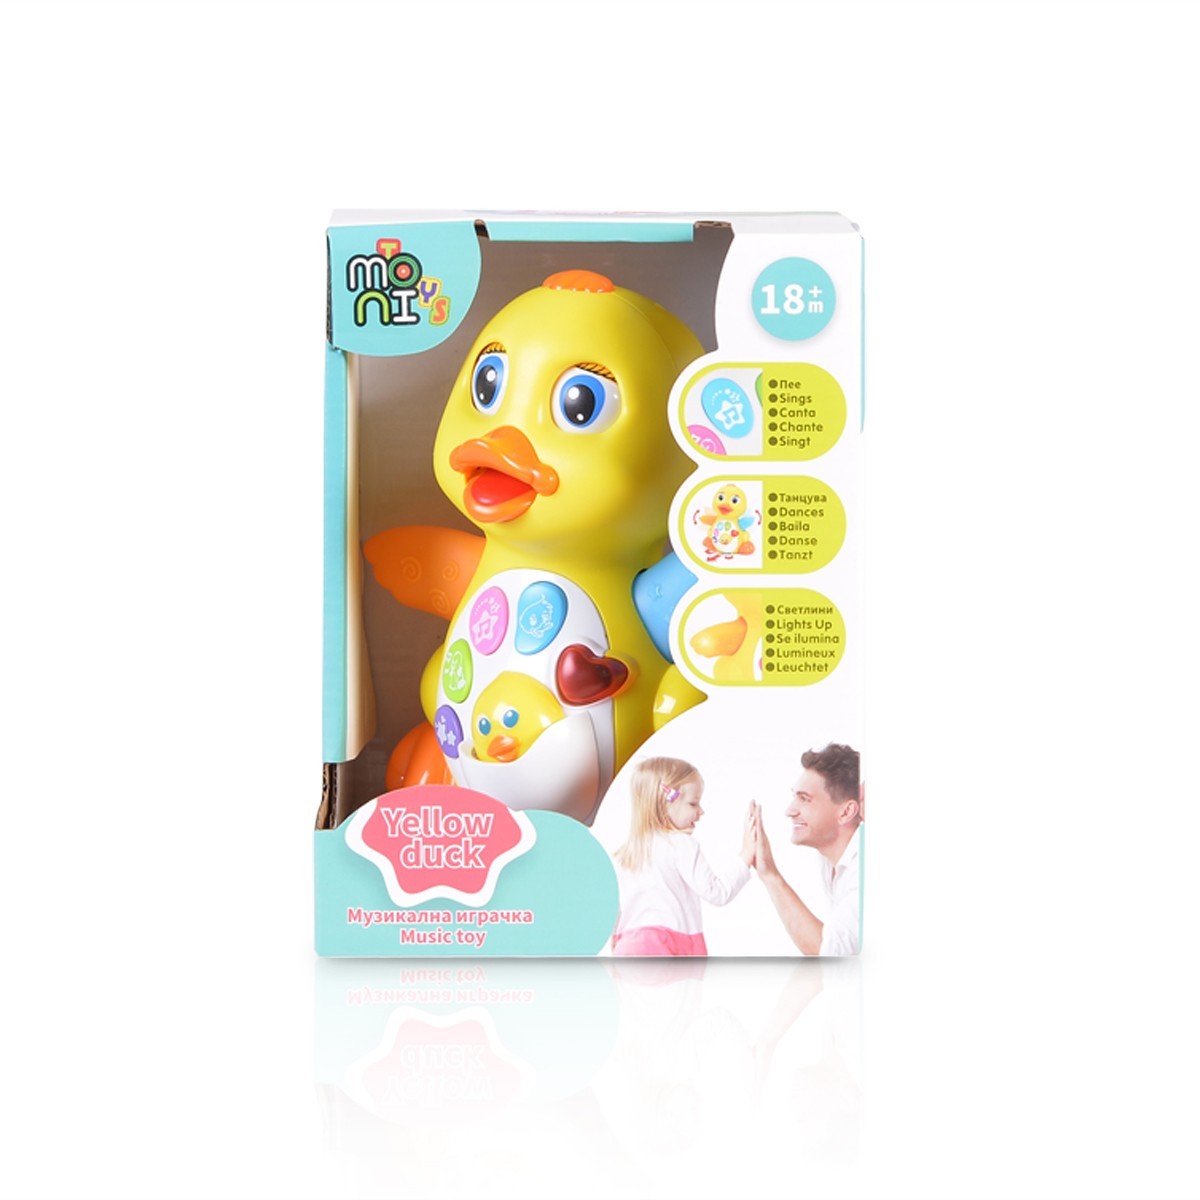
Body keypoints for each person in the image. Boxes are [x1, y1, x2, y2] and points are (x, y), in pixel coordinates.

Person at [611, 756, 755, 956]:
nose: (701, 811)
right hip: (670, 947)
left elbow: (613, 915)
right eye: (693, 804)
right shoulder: (681, 845)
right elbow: (717, 893)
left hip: (627, 947)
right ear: (664, 803)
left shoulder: (623, 855)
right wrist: (746, 855)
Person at [752, 744, 863, 956]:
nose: (789, 811)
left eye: (804, 799)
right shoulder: (829, 859)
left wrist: (770, 875)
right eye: (795, 797)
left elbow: (830, 953)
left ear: (846, 812)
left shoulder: (864, 870)